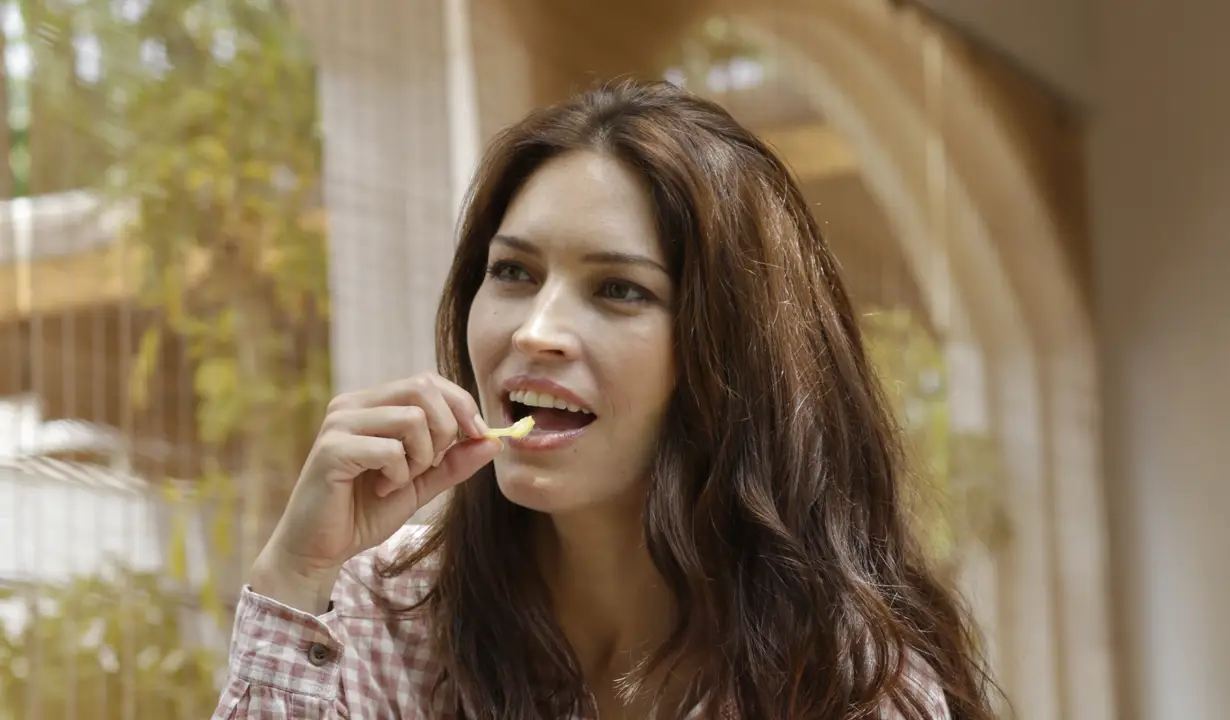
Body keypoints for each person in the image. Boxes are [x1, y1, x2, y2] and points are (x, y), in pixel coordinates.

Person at [212, 78, 998, 720]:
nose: (536, 330)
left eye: (619, 289)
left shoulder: (838, 684)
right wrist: (293, 572)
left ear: (725, 355)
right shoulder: (376, 619)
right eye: (514, 272)